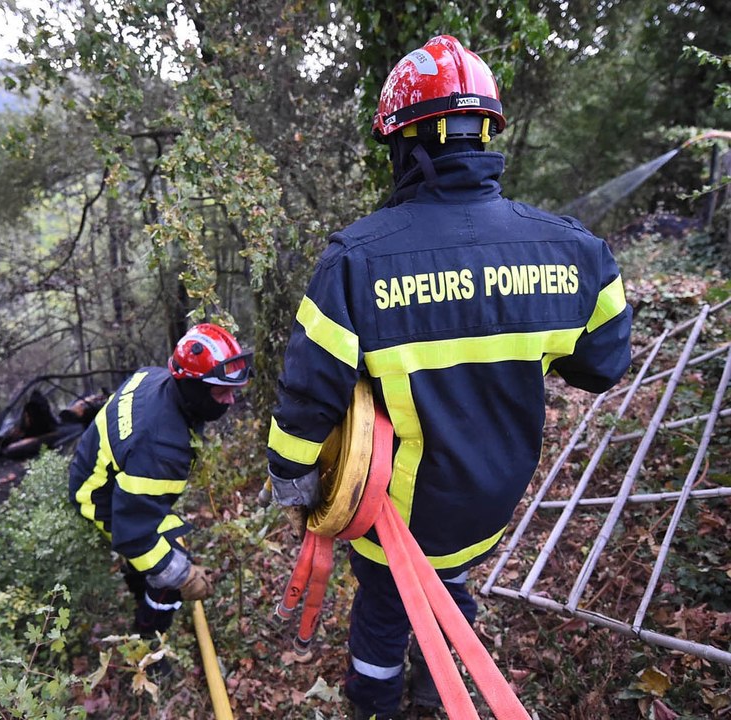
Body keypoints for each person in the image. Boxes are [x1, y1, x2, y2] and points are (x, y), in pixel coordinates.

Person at [265, 35, 633, 720]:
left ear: (405, 144)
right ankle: (438, 694)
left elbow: (309, 394)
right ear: (485, 133)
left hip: (394, 518)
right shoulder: (575, 252)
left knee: (383, 612)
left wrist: (293, 480)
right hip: (487, 504)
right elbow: (602, 365)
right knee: (450, 581)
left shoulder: (356, 261)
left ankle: (375, 705)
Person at [68, 322, 253, 674]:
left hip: (103, 471)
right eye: (221, 392)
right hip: (99, 497)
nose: (230, 400)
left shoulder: (155, 377)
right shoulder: (162, 449)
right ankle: (150, 648)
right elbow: (134, 535)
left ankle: (140, 584)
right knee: (166, 572)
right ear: (193, 387)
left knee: (155, 556)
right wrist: (181, 575)